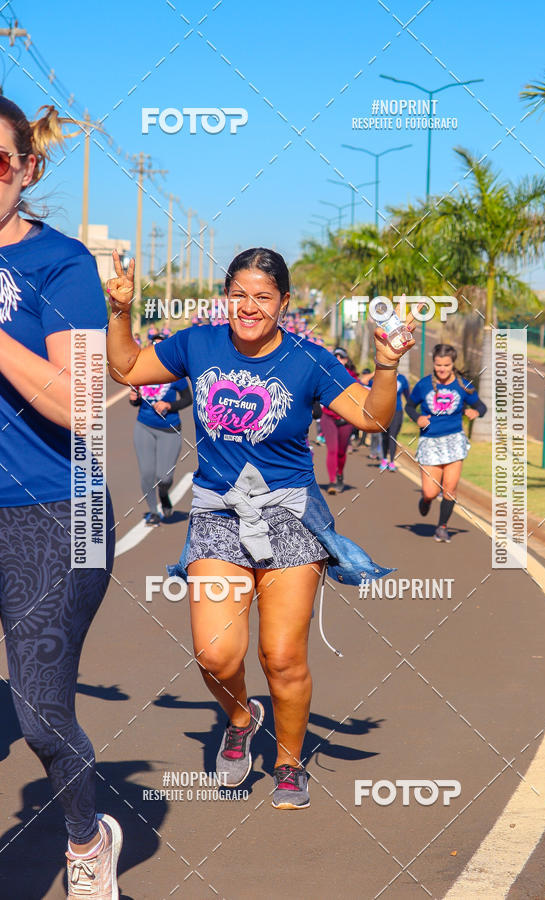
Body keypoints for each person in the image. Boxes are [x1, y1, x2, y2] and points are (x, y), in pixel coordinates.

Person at [106, 247, 417, 810]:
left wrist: (388, 362)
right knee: (216, 655)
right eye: (239, 295)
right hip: (218, 513)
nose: (249, 307)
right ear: (227, 297)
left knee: (282, 656)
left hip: (289, 518)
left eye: (263, 297)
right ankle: (241, 718)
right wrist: (119, 311)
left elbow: (372, 417)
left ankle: (290, 761)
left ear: (284, 302)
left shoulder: (309, 358)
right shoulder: (197, 344)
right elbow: (127, 368)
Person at [0, 98, 121, 897]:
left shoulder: (60, 263)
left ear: (27, 169)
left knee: (43, 714)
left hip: (53, 509)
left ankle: (87, 838)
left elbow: (81, 401)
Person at [405, 343, 487, 542]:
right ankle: (426, 500)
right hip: (430, 442)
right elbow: (409, 406)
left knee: (449, 488)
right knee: (431, 491)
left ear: (453, 365)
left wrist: (475, 412)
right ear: (434, 363)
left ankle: (442, 527)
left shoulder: (463, 386)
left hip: (454, 440)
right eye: (438, 365)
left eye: (446, 365)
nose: (442, 369)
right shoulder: (424, 385)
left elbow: (481, 407)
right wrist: (418, 418)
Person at [129, 333, 192, 525]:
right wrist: (134, 399)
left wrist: (168, 405)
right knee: (147, 473)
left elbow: (188, 399)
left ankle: (164, 496)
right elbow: (136, 400)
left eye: (160, 347)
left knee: (164, 478)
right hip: (144, 426)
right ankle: (153, 511)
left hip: (170, 430)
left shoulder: (175, 375)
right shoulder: (142, 372)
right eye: (153, 346)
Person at [320, 347, 358, 494]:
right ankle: (331, 481)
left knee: (341, 452)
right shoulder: (325, 374)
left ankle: (340, 474)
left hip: (346, 419)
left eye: (341, 357)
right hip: (328, 416)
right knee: (332, 450)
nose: (338, 360)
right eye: (335, 357)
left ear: (346, 360)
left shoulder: (353, 377)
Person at [379, 371, 410, 472]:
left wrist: (411, 409)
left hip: (397, 411)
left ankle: (391, 461)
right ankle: (384, 458)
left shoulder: (402, 379)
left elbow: (408, 396)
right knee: (384, 436)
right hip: (384, 411)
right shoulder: (383, 376)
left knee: (393, 436)